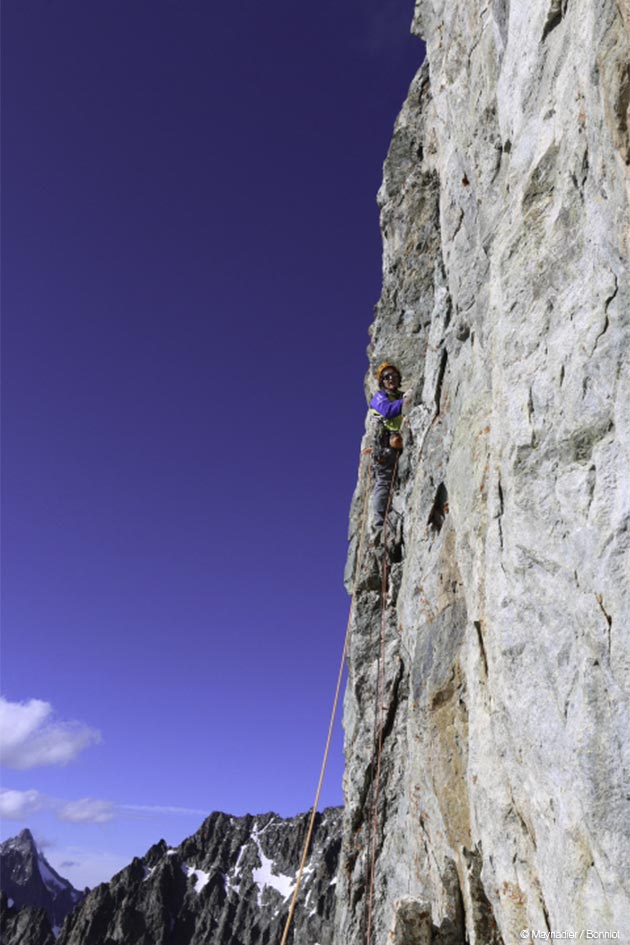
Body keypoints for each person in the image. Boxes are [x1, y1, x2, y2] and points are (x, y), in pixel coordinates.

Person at [369, 362, 406, 528]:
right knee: (384, 481)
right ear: (382, 382)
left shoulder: (401, 397)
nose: (390, 378)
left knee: (397, 480)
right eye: (386, 377)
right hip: (385, 445)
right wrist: (406, 401)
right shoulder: (379, 397)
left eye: (393, 375)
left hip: (400, 441)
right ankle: (378, 525)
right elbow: (388, 411)